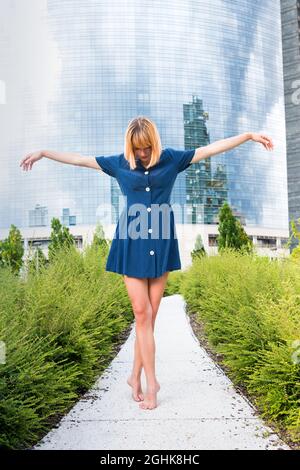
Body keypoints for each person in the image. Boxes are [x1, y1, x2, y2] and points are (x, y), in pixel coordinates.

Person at [20, 116, 274, 410]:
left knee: (150, 318)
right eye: (137, 148)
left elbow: (211, 149)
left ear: (154, 142)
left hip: (162, 242)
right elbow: (78, 159)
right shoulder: (118, 163)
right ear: (130, 146)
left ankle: (134, 375)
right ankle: (152, 384)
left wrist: (249, 135)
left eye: (146, 147)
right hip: (131, 242)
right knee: (141, 312)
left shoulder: (172, 159)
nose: (142, 153)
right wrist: (43, 152)